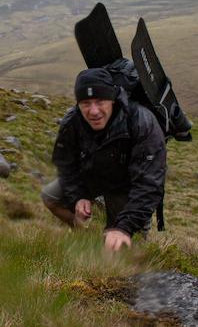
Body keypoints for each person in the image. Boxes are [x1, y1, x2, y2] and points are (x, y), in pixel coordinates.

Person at [41, 68, 167, 252]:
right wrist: (78, 195)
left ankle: (128, 248)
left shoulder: (141, 121)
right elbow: (65, 163)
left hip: (126, 185)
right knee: (51, 197)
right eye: (85, 103)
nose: (93, 111)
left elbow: (150, 184)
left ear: (113, 99)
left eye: (100, 101)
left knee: (125, 248)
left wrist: (124, 227)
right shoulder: (72, 121)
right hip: (94, 173)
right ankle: (84, 236)